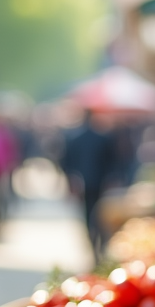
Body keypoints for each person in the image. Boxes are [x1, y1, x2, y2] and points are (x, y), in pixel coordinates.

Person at [61, 109, 118, 260]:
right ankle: (99, 241)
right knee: (100, 213)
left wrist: (70, 182)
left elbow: (66, 164)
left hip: (84, 183)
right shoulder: (102, 137)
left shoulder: (74, 138)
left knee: (88, 214)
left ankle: (93, 241)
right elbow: (113, 162)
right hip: (100, 182)